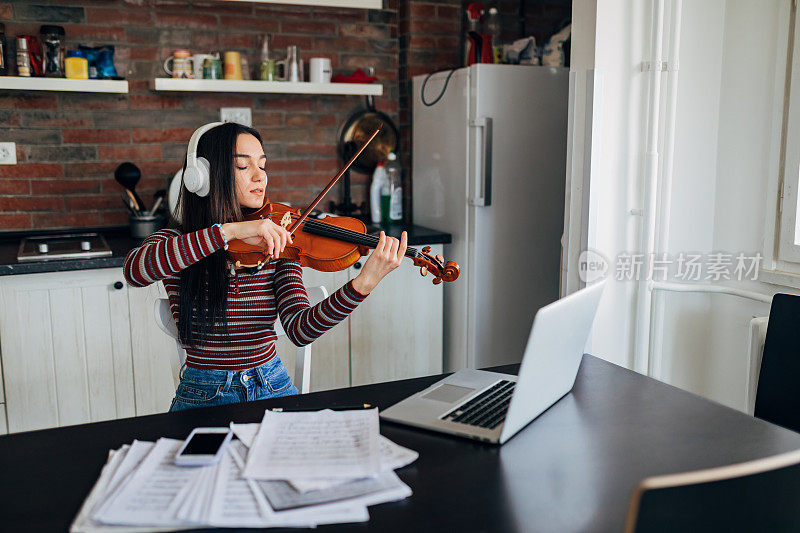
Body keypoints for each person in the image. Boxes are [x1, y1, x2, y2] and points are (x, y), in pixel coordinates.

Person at [123, 122, 407, 411]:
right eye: (243, 167)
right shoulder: (178, 243)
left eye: (263, 164)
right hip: (202, 394)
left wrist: (363, 285)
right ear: (205, 177)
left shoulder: (277, 240)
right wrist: (230, 231)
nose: (261, 177)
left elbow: (300, 330)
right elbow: (135, 271)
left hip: (273, 386)